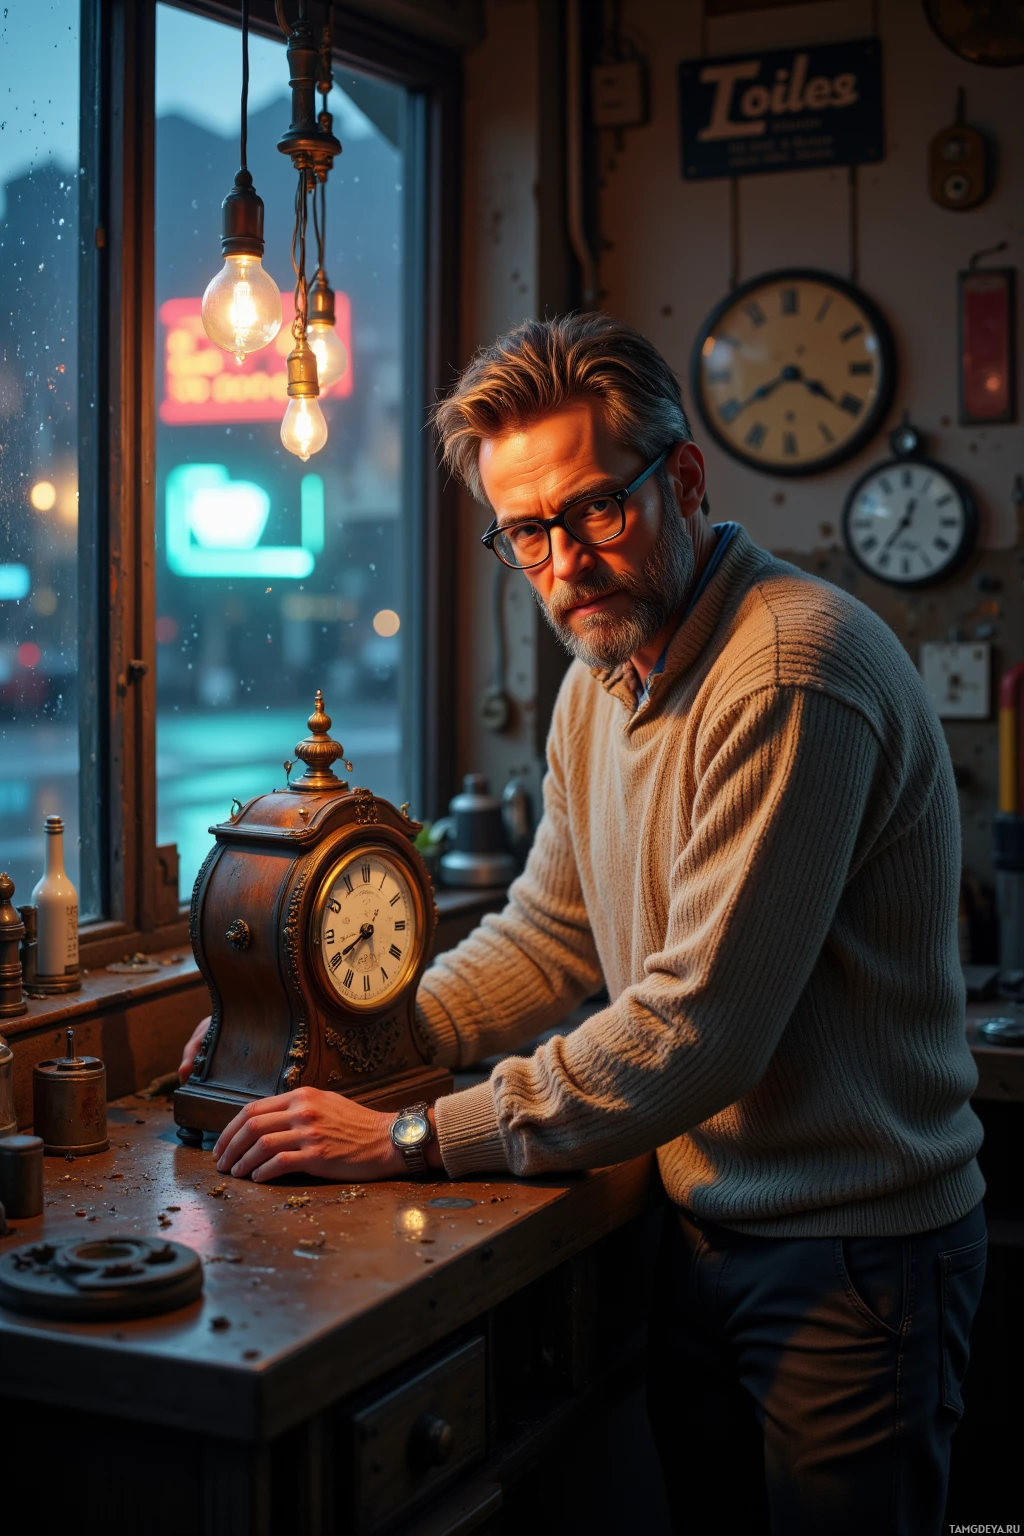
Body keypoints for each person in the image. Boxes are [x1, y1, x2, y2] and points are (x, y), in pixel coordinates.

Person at [180, 313, 986, 1535]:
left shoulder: (786, 674)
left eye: (596, 511)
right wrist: (329, 1043)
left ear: (684, 479)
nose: (564, 564)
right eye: (528, 534)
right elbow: (547, 937)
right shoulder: (601, 683)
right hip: (702, 1224)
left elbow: (696, 1032)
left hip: (848, 1257)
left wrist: (405, 1131)